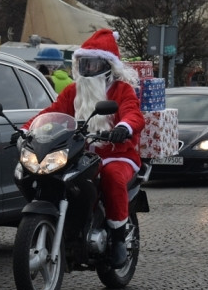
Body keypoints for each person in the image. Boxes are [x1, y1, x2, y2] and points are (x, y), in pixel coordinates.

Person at [23, 28, 144, 267]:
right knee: (53, 174)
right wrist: (27, 129)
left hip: (116, 154)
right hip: (80, 153)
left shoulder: (122, 90)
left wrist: (123, 127)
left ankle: (118, 238)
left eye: (93, 64)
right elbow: (53, 112)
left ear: (108, 66)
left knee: (112, 177)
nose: (88, 70)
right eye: (84, 64)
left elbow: (133, 114)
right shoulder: (73, 91)